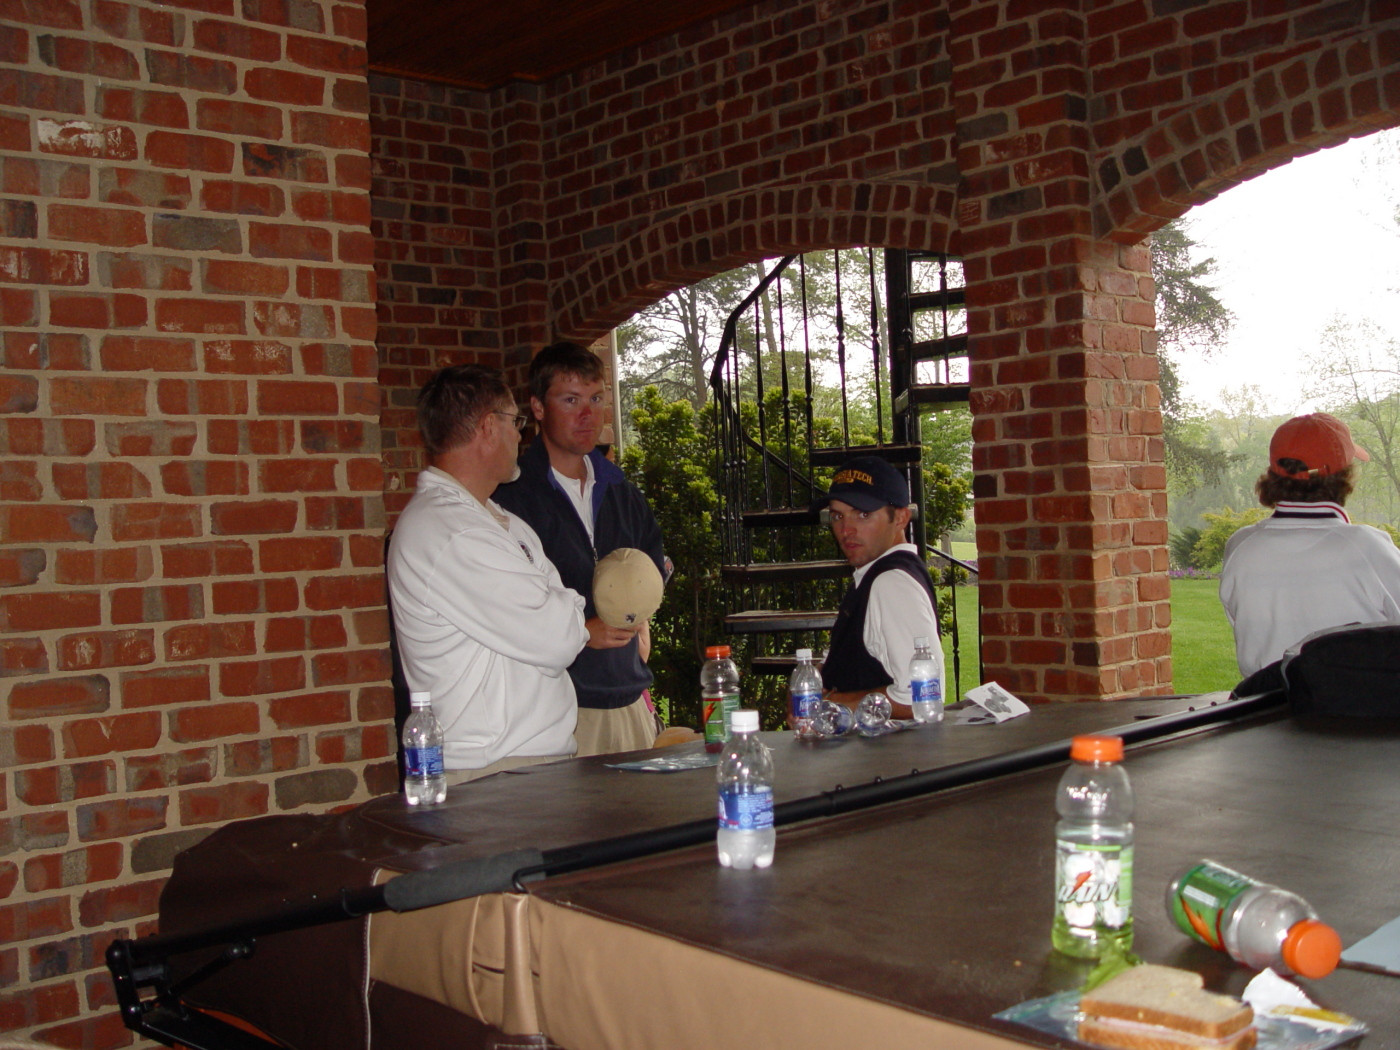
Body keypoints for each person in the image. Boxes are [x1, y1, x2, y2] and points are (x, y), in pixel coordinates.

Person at [386, 364, 625, 783]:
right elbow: (560, 638)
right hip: (491, 773)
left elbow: (563, 606)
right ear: (487, 428)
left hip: (526, 766)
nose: (521, 434)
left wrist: (562, 607)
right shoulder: (448, 532)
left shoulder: (499, 521)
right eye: (514, 422)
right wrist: (564, 610)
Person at [494, 341, 667, 755]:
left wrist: (639, 618)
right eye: (570, 400)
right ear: (537, 407)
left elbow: (654, 569)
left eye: (596, 399)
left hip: (629, 700)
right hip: (554, 709)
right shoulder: (509, 498)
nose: (588, 414)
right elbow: (505, 607)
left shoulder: (622, 491)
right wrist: (579, 631)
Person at [1220, 412, 1400, 678]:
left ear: (1274, 472)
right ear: (1344, 476)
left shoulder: (1240, 545)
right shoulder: (1369, 547)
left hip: (1262, 707)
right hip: (1354, 710)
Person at [812, 455, 942, 718]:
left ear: (901, 518)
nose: (846, 530)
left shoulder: (891, 583)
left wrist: (827, 706)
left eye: (863, 514)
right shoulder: (875, 575)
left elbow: (922, 698)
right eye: (837, 515)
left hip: (885, 757)